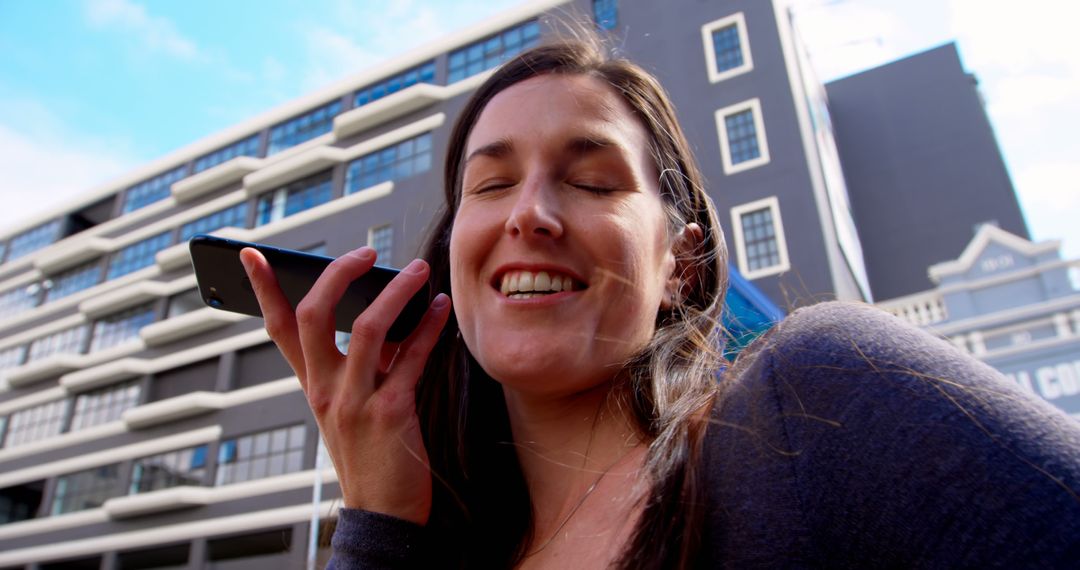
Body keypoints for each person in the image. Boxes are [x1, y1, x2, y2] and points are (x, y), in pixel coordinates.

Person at [239, 31, 1080, 569]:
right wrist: (379, 525)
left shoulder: (818, 402)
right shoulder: (426, 546)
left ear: (681, 261)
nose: (528, 213)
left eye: (592, 179)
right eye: (489, 184)